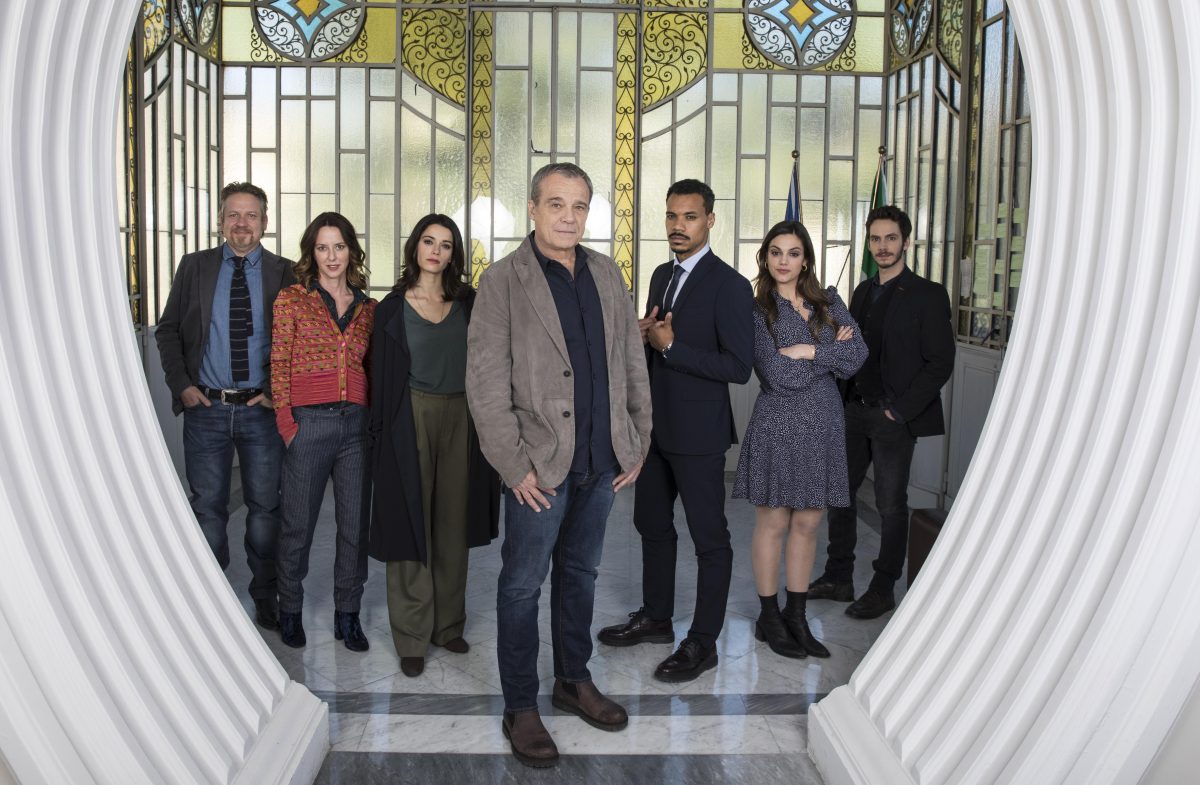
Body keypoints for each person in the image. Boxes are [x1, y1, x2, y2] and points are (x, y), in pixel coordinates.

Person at [467, 162, 652, 768]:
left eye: (578, 206)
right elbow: (485, 385)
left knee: (581, 575)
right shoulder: (503, 280)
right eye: (556, 204)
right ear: (533, 208)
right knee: (522, 585)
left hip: (602, 460)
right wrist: (512, 465)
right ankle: (521, 705)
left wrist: (637, 440)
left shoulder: (607, 273)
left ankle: (573, 679)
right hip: (538, 468)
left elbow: (631, 363)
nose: (568, 217)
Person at [597, 179, 753, 683]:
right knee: (651, 526)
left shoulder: (731, 285)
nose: (678, 226)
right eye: (671, 216)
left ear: (710, 220)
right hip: (654, 431)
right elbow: (655, 348)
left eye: (689, 216)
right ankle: (657, 619)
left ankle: (703, 642)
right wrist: (644, 337)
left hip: (701, 436)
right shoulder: (662, 274)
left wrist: (670, 347)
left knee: (710, 539)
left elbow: (739, 367)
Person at [156, 181, 296, 630]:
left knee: (266, 509)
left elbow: (299, 341)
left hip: (261, 411)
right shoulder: (194, 267)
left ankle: (265, 596)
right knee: (208, 510)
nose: (241, 223)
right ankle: (211, 601)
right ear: (220, 221)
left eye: (251, 215)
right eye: (233, 214)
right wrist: (182, 386)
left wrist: (276, 393)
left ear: (265, 222)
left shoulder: (285, 273)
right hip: (206, 409)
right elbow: (168, 330)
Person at [368, 214, 500, 678]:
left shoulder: (471, 303)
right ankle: (411, 635)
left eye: (445, 245)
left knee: (452, 524)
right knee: (410, 524)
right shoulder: (391, 309)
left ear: (453, 255)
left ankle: (447, 625)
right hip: (410, 417)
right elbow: (379, 379)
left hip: (463, 417)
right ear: (415, 247)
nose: (436, 251)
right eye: (429, 241)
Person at [808, 205, 955, 619]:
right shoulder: (861, 292)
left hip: (893, 417)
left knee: (890, 505)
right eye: (876, 239)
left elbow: (940, 362)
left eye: (891, 238)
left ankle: (883, 587)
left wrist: (900, 412)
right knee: (840, 496)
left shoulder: (928, 294)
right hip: (853, 411)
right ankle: (839, 578)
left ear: (906, 242)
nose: (883, 246)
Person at [732, 220, 867, 659]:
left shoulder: (829, 301)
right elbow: (777, 375)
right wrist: (832, 356)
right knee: (774, 523)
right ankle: (769, 617)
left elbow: (858, 356)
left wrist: (809, 351)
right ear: (765, 257)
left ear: (805, 258)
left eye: (793, 253)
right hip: (779, 424)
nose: (783, 261)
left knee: (809, 523)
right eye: (775, 252)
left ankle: (797, 616)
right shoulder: (757, 310)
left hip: (825, 424)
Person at [270, 212, 377, 651]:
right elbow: (279, 362)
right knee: (298, 525)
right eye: (322, 247)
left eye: (339, 247)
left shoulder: (367, 308)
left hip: (355, 427)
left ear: (351, 251)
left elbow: (370, 367)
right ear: (311, 253)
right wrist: (287, 425)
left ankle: (347, 614)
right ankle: (290, 609)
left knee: (353, 527)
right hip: (308, 424)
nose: (331, 256)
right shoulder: (292, 300)